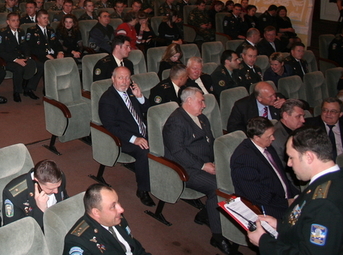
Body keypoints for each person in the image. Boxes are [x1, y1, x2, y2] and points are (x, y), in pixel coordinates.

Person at [247, 127, 343, 255]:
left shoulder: (325, 204)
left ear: (309, 157)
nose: (289, 164)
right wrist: (280, 225)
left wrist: (264, 242)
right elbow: (307, 223)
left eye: (291, 157)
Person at [164, 87, 232, 254]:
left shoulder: (201, 118)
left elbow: (211, 141)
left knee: (232, 177)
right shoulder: (176, 122)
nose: (204, 105)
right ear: (189, 101)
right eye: (201, 101)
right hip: (186, 169)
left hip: (205, 163)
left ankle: (205, 213)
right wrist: (203, 166)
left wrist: (219, 161)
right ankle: (218, 236)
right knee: (217, 188)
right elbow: (178, 152)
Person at [98, 67, 154, 206]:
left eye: (127, 78)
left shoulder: (131, 91)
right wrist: (135, 139)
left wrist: (140, 97)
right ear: (113, 79)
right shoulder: (107, 99)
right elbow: (111, 127)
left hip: (144, 131)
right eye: (120, 78)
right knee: (144, 151)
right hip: (124, 138)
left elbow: (148, 110)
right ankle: (143, 189)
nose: (124, 81)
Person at [230, 117, 298, 219]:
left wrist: (296, 196)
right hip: (268, 208)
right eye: (269, 136)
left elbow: (282, 176)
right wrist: (286, 202)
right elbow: (257, 195)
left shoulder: (267, 146)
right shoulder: (244, 159)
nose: (273, 138)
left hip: (283, 198)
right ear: (257, 137)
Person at [63, 184, 151, 255]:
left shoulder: (116, 218)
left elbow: (135, 248)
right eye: (113, 206)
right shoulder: (78, 242)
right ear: (96, 212)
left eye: (118, 202)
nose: (121, 209)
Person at [2, 159, 68, 229]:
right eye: (50, 189)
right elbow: (15, 229)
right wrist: (40, 209)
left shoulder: (59, 177)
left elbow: (64, 201)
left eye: (58, 187)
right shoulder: (14, 195)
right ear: (37, 181)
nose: (56, 191)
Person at [0, 12, 42, 102]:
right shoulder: (2, 33)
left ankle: (28, 88)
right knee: (19, 68)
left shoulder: (21, 31)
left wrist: (27, 56)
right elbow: (1, 52)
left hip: (21, 57)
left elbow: (25, 46)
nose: (16, 23)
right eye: (13, 21)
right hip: (8, 59)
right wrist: (16, 60)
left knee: (40, 66)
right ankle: (16, 92)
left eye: (17, 20)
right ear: (8, 22)